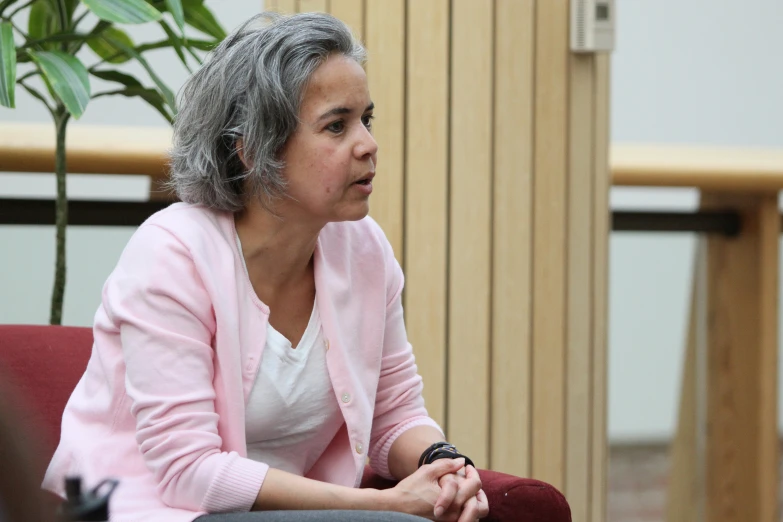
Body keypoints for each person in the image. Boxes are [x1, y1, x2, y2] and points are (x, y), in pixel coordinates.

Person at [42, 11, 490, 522]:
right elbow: (188, 471)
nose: (368, 144)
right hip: (142, 508)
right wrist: (381, 505)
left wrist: (445, 465)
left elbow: (395, 413)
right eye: (336, 125)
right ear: (253, 149)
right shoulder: (171, 253)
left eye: (366, 120)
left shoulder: (364, 250)